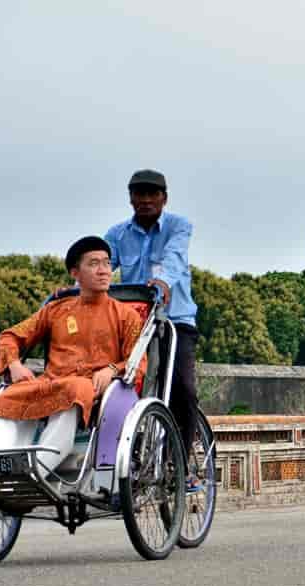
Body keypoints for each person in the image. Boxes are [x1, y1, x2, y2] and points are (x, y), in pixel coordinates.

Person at [0, 236, 144, 482]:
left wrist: (112, 369)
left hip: (91, 387)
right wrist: (14, 365)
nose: (104, 270)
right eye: (94, 264)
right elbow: (9, 336)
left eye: (107, 263)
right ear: (75, 272)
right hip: (52, 381)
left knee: (75, 388)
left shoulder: (126, 315)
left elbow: (137, 361)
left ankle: (36, 472)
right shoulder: (56, 309)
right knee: (9, 395)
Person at [104, 169, 200, 448]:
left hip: (174, 321)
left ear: (164, 198)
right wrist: (79, 287)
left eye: (152, 194)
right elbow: (101, 266)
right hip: (133, 323)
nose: (145, 200)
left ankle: (181, 460)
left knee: (182, 388)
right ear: (131, 198)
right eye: (139, 194)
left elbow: (175, 258)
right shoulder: (118, 234)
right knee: (118, 384)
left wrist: (162, 282)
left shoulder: (179, 226)